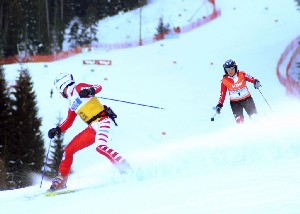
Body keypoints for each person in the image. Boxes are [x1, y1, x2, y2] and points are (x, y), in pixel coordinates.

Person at [48, 73, 132, 190]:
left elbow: (98, 86)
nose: (62, 94)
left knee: (100, 146)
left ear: (62, 87)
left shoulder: (78, 88)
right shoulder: (72, 102)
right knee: (68, 150)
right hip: (93, 128)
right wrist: (57, 130)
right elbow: (68, 121)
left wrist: (90, 90)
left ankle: (124, 167)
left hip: (103, 121)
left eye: (60, 91)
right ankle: (62, 180)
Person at [215, 59, 261, 124]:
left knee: (255, 118)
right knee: (240, 122)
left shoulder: (242, 74)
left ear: (235, 68)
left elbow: (252, 78)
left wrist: (256, 81)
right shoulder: (224, 81)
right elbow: (222, 94)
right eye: (228, 69)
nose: (230, 71)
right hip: (235, 104)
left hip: (247, 100)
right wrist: (219, 105)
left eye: (232, 68)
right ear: (225, 70)